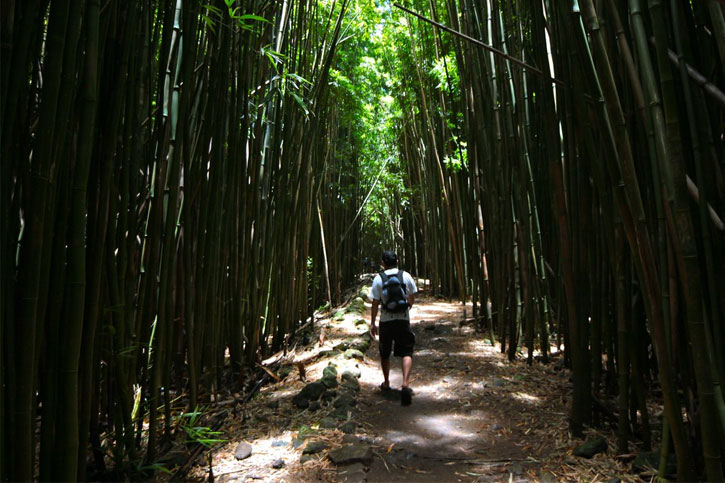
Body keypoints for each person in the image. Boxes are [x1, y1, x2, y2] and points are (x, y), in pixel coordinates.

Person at [369, 250, 418, 405]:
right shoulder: (405, 275)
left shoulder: (378, 278)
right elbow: (411, 297)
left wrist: (372, 322)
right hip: (403, 319)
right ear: (397, 261)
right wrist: (406, 308)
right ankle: (405, 383)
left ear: (383, 262)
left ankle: (386, 382)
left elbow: (375, 302)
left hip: (386, 321)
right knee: (406, 351)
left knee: (385, 352)